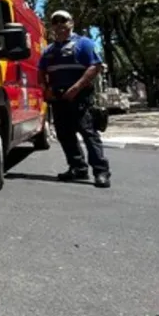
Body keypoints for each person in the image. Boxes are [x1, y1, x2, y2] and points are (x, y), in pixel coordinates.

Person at [38, 10, 112, 188]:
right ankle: (77, 167)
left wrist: (76, 88)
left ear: (71, 23)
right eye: (55, 22)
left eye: (63, 20)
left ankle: (101, 172)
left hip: (80, 98)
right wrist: (45, 89)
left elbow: (95, 66)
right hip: (58, 98)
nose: (59, 25)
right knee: (65, 135)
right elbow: (41, 71)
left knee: (88, 134)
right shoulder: (49, 50)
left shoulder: (84, 44)